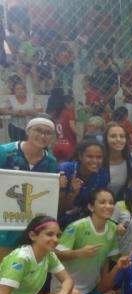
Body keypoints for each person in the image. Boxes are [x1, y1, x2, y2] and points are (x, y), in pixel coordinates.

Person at [52, 187, 119, 294]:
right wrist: (79, 253)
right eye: (102, 202)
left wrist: (103, 288)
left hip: (91, 290)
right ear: (91, 206)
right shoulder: (77, 227)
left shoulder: (113, 227)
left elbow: (107, 260)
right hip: (68, 290)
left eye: (111, 202)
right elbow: (55, 255)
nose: (108, 206)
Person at [0, 116, 59, 258]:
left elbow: (48, 193)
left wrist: (58, 183)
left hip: (30, 221)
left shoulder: (51, 161)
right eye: (38, 130)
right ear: (28, 131)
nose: (42, 135)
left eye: (48, 132)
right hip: (5, 219)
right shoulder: (5, 152)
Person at [58, 139, 110, 228]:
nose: (95, 161)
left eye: (99, 157)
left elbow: (95, 206)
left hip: (85, 220)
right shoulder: (65, 170)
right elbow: (60, 208)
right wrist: (72, 194)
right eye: (90, 156)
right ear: (80, 156)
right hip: (58, 219)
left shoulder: (102, 175)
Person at [104, 122, 132, 200]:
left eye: (122, 136)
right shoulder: (99, 160)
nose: (118, 139)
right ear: (106, 139)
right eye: (113, 136)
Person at [49, 93, 78, 162]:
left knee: (59, 165)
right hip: (69, 144)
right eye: (73, 103)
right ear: (66, 104)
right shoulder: (70, 112)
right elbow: (72, 126)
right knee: (69, 165)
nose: (74, 105)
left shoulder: (56, 114)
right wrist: (81, 135)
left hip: (57, 144)